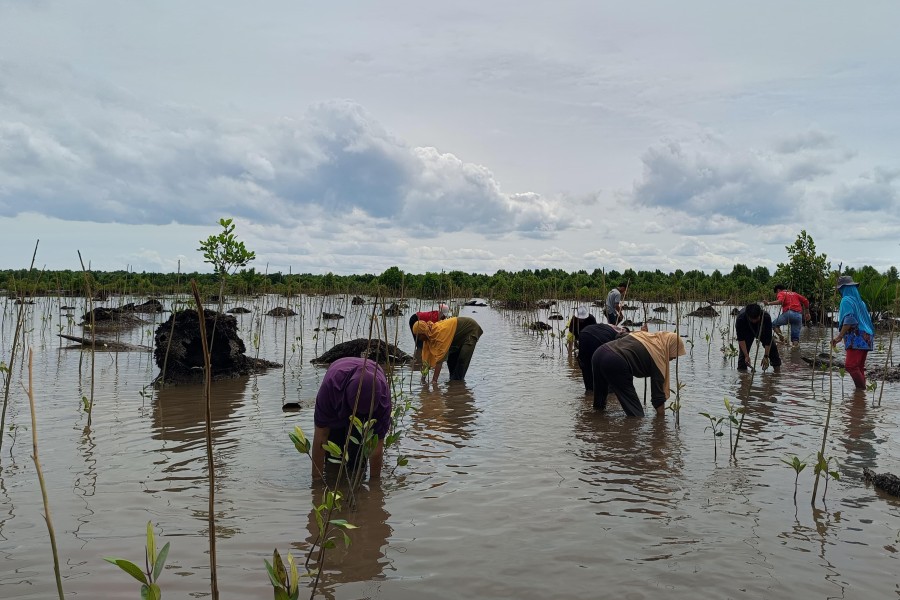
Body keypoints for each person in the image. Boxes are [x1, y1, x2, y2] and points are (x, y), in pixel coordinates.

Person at [312, 357, 392, 481]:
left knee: (358, 461)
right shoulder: (330, 388)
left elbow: (376, 447)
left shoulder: (382, 400)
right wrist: (316, 481)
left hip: (370, 402)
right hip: (338, 394)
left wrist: (375, 485)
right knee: (334, 456)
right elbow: (321, 437)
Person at [591, 330, 686, 417]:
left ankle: (595, 424)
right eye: (675, 353)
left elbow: (620, 335)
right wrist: (661, 422)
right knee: (636, 414)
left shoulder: (644, 336)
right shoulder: (658, 357)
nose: (674, 358)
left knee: (599, 404)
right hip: (615, 361)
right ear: (670, 346)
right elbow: (658, 396)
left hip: (599, 353)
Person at [830, 275, 875, 390]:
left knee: (850, 366)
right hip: (867, 336)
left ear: (843, 288)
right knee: (859, 367)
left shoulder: (846, 300)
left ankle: (861, 391)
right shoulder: (861, 303)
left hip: (856, 336)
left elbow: (849, 320)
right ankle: (861, 400)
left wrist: (839, 337)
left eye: (840, 289)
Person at [412, 316, 483, 384]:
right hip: (456, 337)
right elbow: (426, 359)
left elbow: (440, 359)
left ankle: (458, 386)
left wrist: (434, 381)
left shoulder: (439, 332)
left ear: (423, 332)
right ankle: (454, 385)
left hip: (470, 330)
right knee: (451, 360)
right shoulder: (429, 335)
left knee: (462, 360)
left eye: (419, 336)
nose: (418, 339)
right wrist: (423, 378)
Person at [577, 322, 632, 391]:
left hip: (584, 333)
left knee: (585, 364)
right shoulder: (620, 335)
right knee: (604, 366)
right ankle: (607, 391)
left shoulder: (610, 326)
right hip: (599, 339)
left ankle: (589, 391)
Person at [735, 303, 781, 372]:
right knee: (743, 356)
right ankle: (743, 376)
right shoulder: (741, 319)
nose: (754, 321)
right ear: (748, 316)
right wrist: (746, 355)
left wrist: (766, 356)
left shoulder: (766, 317)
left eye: (756, 318)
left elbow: (768, 338)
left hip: (761, 329)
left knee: (773, 347)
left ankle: (777, 373)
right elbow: (741, 339)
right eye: (752, 319)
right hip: (747, 331)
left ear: (760, 314)